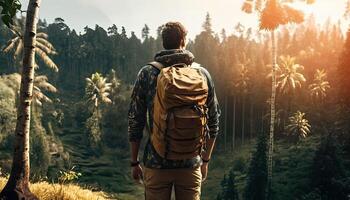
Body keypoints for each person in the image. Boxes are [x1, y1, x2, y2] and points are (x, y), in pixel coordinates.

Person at [128, 21, 220, 200]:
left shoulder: (148, 73)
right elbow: (214, 120)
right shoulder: (202, 74)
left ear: (163, 42)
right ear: (183, 41)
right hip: (191, 163)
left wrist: (134, 162)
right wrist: (205, 160)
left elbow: (135, 120)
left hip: (156, 163)